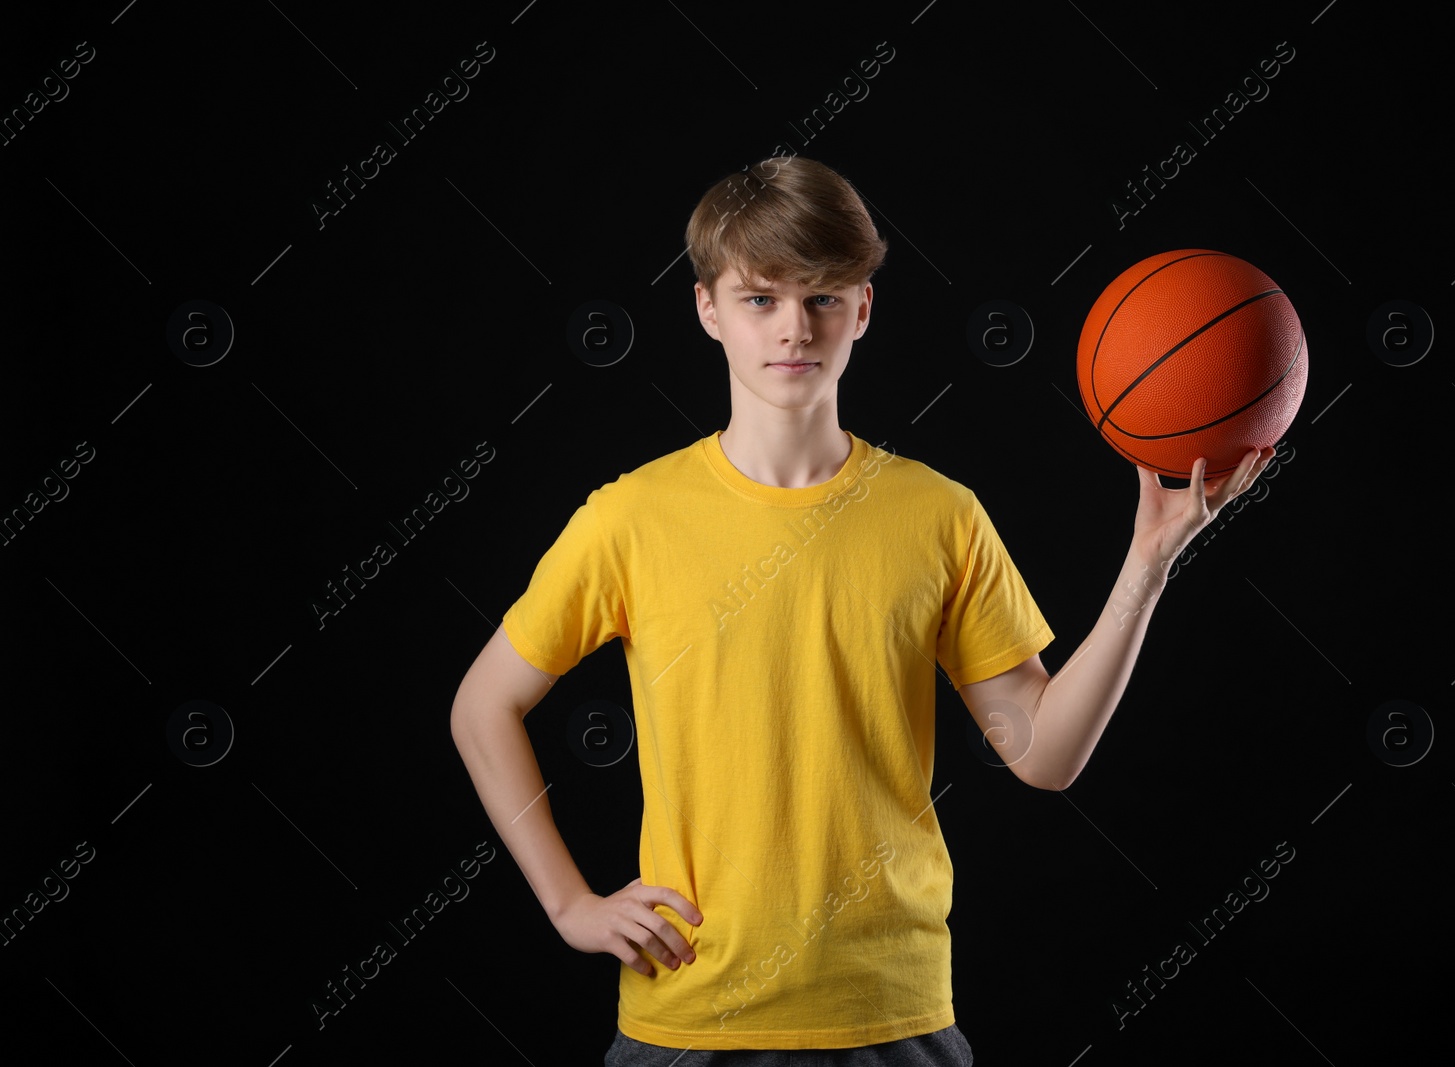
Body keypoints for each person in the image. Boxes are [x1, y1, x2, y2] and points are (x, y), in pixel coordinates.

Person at [450, 155, 1274, 1064]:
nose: (794, 328)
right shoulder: (629, 519)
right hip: (689, 1018)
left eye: (824, 297)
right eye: (761, 298)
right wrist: (571, 904)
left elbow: (1042, 754)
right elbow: (482, 704)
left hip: (894, 1019)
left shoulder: (937, 514)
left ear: (864, 310)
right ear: (708, 310)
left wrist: (1146, 567)